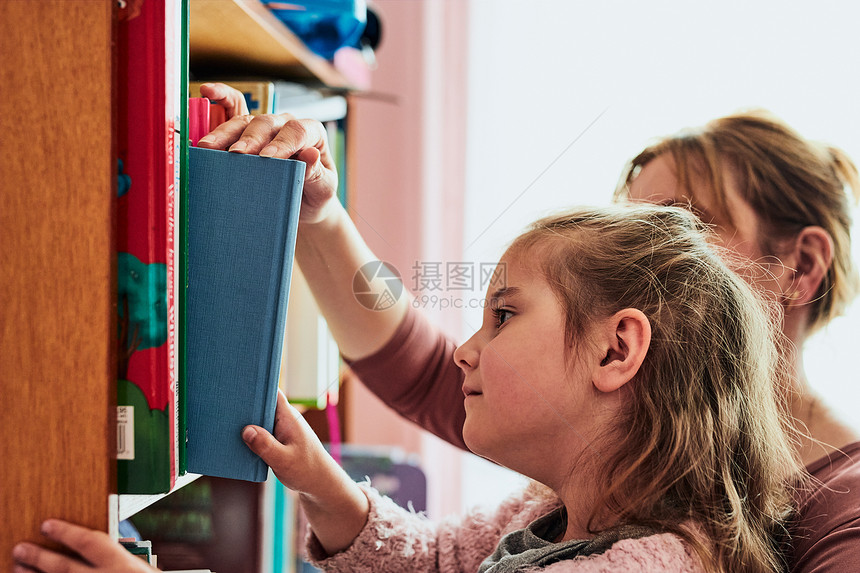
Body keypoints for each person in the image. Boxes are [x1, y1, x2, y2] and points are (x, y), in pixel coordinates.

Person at [14, 203, 802, 572]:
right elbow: (433, 562)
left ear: (616, 348)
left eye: (502, 315)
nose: (464, 351)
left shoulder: (648, 567)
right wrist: (324, 483)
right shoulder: (553, 516)